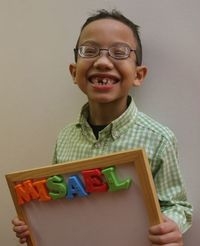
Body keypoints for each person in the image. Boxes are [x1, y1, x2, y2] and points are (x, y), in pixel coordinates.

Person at [12, 9, 192, 245]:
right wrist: (35, 223)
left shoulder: (158, 138)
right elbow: (56, 199)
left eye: (119, 52)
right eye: (89, 51)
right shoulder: (65, 137)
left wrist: (172, 225)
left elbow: (178, 205)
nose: (103, 61)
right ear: (74, 73)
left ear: (139, 75)